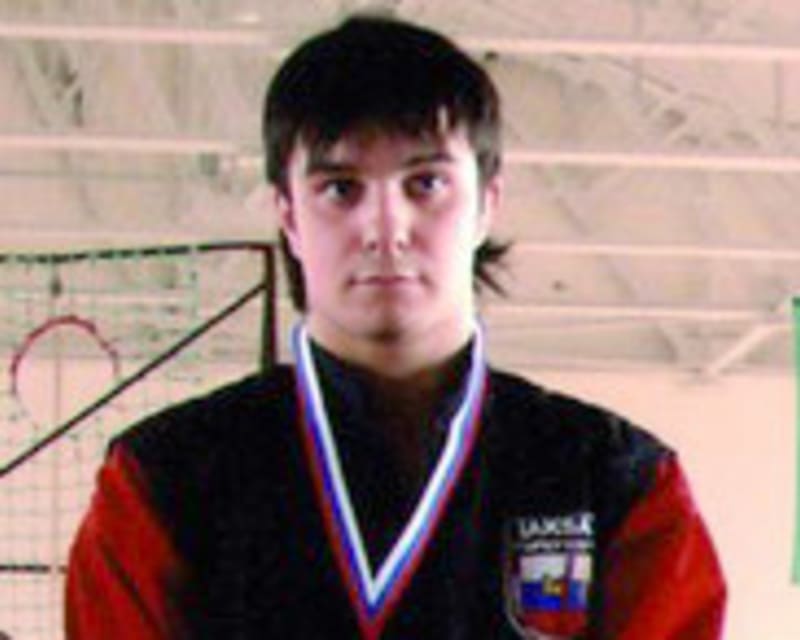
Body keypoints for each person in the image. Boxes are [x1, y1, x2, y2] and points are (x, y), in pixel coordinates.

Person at [65, 14, 726, 640]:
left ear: (487, 203)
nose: (385, 229)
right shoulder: (162, 481)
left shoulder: (615, 483)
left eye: (425, 183)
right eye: (340, 189)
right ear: (288, 216)